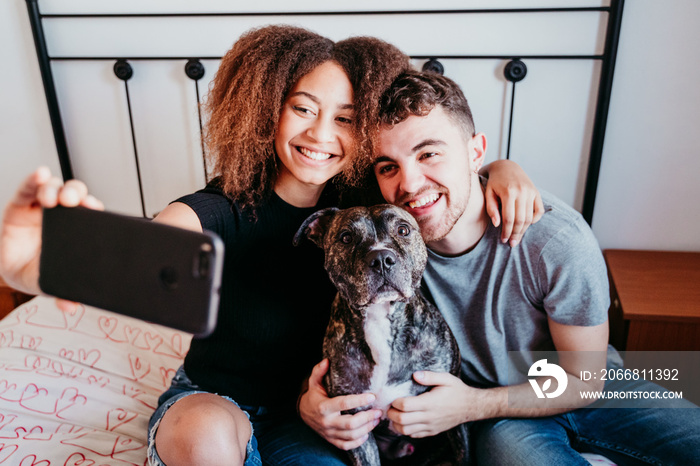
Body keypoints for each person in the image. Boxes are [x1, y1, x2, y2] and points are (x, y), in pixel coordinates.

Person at [0, 28, 542, 466]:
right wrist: (34, 268)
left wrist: (499, 168)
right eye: (303, 108)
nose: (322, 133)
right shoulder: (225, 205)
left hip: (313, 416)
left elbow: (431, 177)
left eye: (347, 119)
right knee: (207, 434)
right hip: (218, 398)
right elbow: (150, 251)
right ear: (266, 108)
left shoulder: (362, 207)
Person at [311, 68, 698, 465]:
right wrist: (309, 407)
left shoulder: (555, 241)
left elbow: (587, 381)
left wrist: (471, 405)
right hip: (508, 418)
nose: (410, 183)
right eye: (388, 166)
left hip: (592, 389)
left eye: (429, 153)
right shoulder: (388, 249)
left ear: (475, 153)